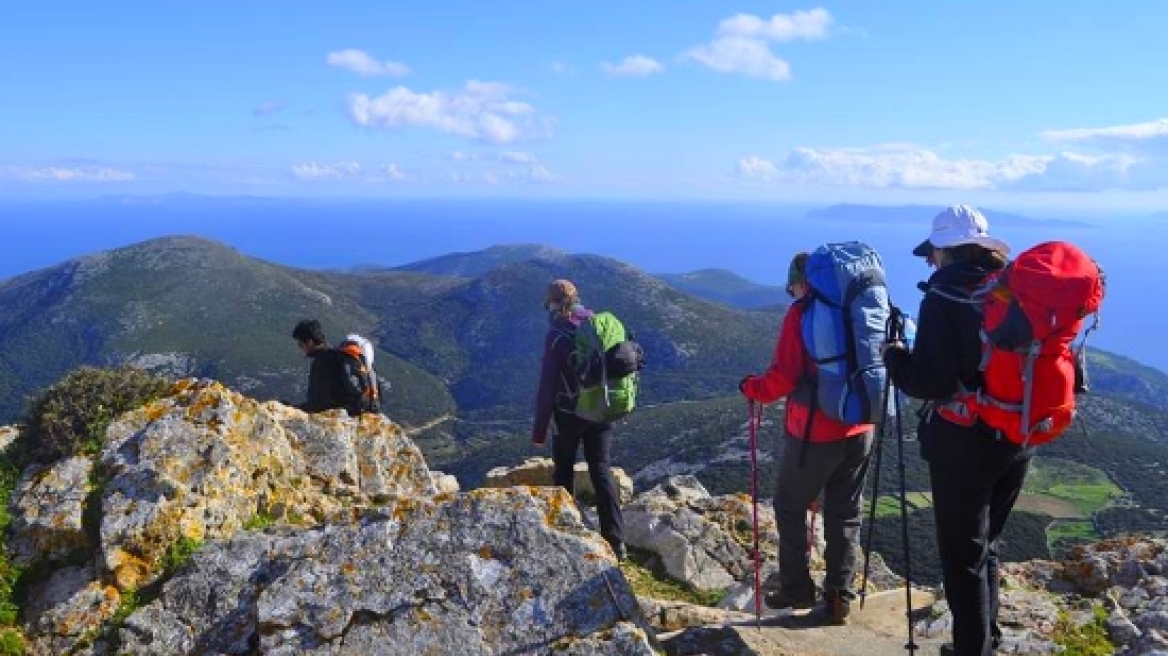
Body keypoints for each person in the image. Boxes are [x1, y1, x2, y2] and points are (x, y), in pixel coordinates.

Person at [882, 205, 1023, 656]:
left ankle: (971, 650)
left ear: (947, 251)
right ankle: (986, 639)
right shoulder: (1007, 289)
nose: (928, 262)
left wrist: (894, 357)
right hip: (1017, 433)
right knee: (987, 545)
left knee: (962, 559)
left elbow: (932, 382)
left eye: (933, 253)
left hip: (966, 443)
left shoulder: (945, 296)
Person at [739, 253, 875, 625]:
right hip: (862, 427)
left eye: (793, 286)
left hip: (815, 432)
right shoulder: (860, 307)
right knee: (845, 513)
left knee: (789, 505)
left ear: (803, 281)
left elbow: (782, 377)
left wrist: (750, 387)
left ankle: (797, 589)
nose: (792, 293)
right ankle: (838, 597)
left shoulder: (802, 314)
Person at [532, 279, 626, 560]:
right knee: (600, 470)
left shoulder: (557, 335)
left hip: (569, 414)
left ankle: (567, 533)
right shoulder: (597, 324)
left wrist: (539, 431)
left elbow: (547, 385)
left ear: (552, 304)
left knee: (563, 472)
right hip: (601, 408)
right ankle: (617, 541)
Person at [291, 319, 364, 416]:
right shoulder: (336, 355)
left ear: (310, 342)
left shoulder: (322, 362)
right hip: (355, 411)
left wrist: (293, 409)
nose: (300, 348)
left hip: (339, 417)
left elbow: (317, 402)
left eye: (300, 344)